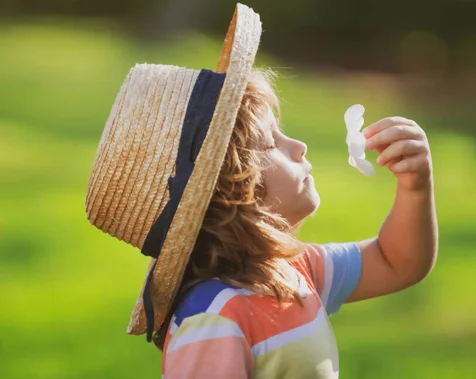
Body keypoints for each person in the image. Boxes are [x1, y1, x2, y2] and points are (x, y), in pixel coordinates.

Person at [85, 4, 437, 378]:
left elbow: (397, 262)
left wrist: (415, 189)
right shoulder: (214, 318)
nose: (298, 145)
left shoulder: (292, 272)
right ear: (231, 194)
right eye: (271, 143)